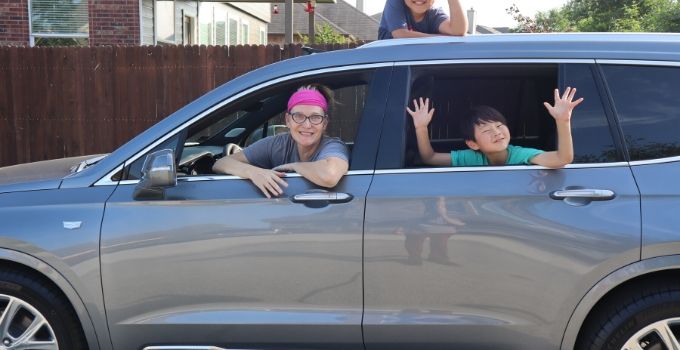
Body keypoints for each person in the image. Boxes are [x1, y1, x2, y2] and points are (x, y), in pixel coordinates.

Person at [212, 86, 349, 198]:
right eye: (298, 116)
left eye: (315, 117)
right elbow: (221, 163)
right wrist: (253, 172)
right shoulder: (277, 144)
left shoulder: (333, 146)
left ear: (324, 123)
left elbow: (329, 175)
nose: (307, 125)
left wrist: (294, 166)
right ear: (288, 120)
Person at [407, 87, 584, 167]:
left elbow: (563, 159)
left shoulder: (520, 154)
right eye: (486, 130)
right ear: (472, 144)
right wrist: (421, 127)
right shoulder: (471, 157)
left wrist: (563, 121)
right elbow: (429, 158)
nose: (497, 132)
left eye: (499, 125)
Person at [378, 0, 468, 40]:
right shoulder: (395, 2)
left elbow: (458, 31)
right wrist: (442, 38)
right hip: (387, 64)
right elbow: (400, 34)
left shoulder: (434, 14)